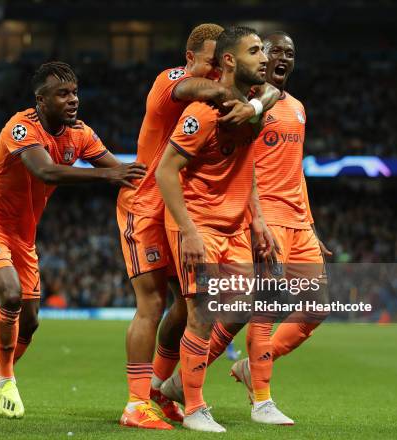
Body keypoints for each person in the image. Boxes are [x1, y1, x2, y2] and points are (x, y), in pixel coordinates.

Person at [0, 61, 146, 419]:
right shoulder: (20, 127)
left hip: (23, 237)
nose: (73, 99)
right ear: (41, 100)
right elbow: (45, 169)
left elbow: (119, 169)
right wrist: (108, 176)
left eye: (74, 92)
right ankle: (7, 383)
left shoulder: (80, 134)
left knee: (29, 321)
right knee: (10, 294)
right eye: (62, 94)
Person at [116, 23, 279, 430]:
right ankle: (137, 403)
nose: (210, 72)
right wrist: (252, 100)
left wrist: (258, 102)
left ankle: (161, 390)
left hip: (184, 207)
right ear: (191, 59)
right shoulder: (173, 81)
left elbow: (271, 92)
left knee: (186, 308)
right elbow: (211, 90)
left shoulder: (239, 97)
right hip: (146, 205)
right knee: (153, 305)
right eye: (208, 63)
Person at [155, 26, 269, 432]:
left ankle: (174, 385)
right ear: (229, 61)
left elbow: (248, 164)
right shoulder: (203, 112)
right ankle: (194, 406)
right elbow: (166, 171)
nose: (264, 58)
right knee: (202, 313)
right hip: (198, 224)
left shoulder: (253, 104)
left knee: (244, 304)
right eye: (255, 51)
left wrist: (256, 218)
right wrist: (187, 230)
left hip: (235, 225)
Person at [229, 31, 331, 425]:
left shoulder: (299, 108)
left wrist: (312, 225)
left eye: (291, 52)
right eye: (276, 52)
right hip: (266, 218)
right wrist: (254, 221)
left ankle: (249, 368)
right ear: (261, 57)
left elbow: (296, 172)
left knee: (316, 307)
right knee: (264, 308)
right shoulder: (248, 104)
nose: (284, 58)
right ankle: (262, 401)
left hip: (298, 221)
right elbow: (241, 167)